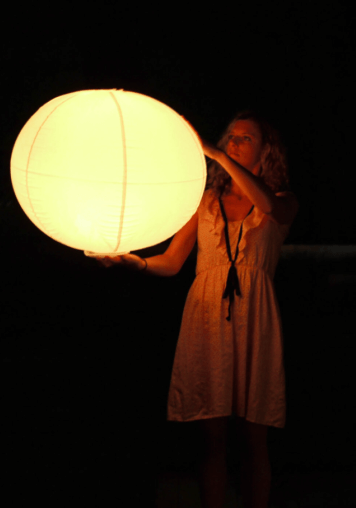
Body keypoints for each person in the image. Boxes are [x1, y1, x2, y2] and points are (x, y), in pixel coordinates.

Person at [97, 110, 298, 508]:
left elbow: (270, 208)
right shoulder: (205, 201)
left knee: (255, 436)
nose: (233, 142)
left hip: (255, 318)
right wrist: (132, 260)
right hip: (207, 317)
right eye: (230, 137)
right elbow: (172, 262)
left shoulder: (282, 201)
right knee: (212, 436)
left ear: (265, 151)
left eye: (245, 138)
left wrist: (220, 159)